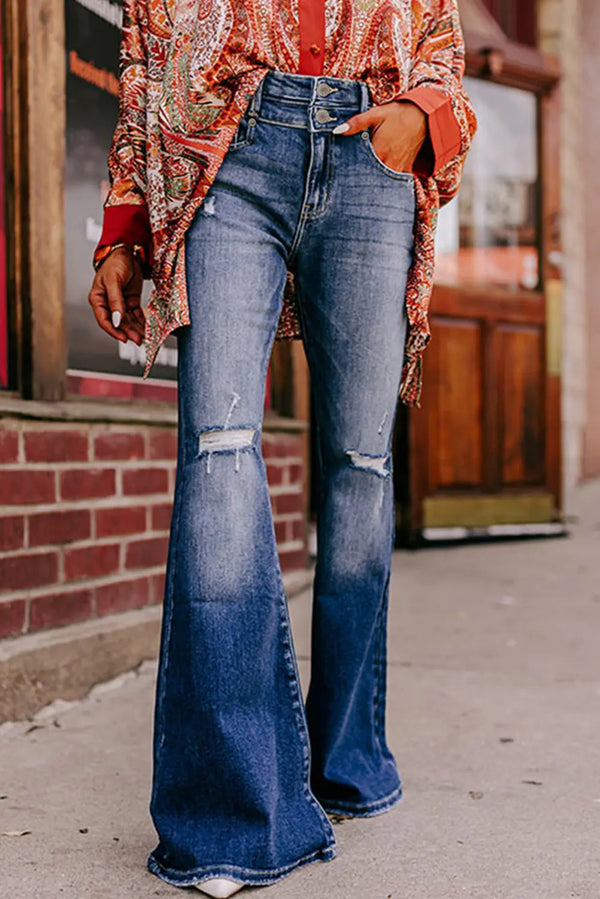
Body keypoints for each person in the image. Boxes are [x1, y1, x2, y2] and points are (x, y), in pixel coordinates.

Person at [88, 1, 477, 895]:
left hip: (371, 146)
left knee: (361, 467)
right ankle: (233, 814)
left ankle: (347, 759)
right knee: (220, 449)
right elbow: (147, 57)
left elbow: (441, 35)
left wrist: (423, 111)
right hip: (225, 152)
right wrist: (125, 224)